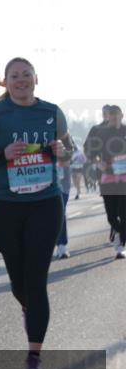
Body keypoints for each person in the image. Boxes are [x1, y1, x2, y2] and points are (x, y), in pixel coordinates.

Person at [0, 58, 74, 369]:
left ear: (36, 79)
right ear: (7, 82)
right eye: (15, 76)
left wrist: (61, 150)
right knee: (19, 280)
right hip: (8, 206)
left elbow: (70, 151)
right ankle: (27, 305)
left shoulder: (53, 111)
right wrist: (2, 155)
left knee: (37, 278)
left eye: (27, 75)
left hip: (45, 203)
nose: (21, 80)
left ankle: (33, 357)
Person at [83, 104, 126, 259]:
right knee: (111, 215)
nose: (114, 119)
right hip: (107, 177)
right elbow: (88, 151)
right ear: (107, 116)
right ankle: (119, 230)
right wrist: (97, 162)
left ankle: (121, 244)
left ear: (122, 115)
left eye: (117, 116)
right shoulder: (99, 132)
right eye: (110, 116)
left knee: (123, 212)